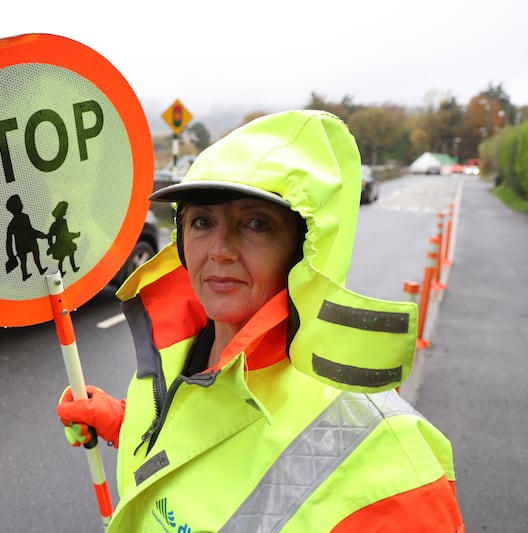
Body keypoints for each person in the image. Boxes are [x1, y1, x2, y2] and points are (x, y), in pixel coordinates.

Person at [56, 110, 464, 532]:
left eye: (255, 224)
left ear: (304, 252)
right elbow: (203, 449)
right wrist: (120, 421)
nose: (219, 250)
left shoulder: (391, 470)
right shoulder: (181, 348)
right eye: (201, 221)